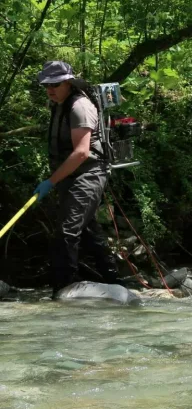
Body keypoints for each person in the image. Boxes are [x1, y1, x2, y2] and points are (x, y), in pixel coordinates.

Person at [34, 61, 123, 298]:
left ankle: (62, 293)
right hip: (70, 176)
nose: (50, 89)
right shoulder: (58, 104)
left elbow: (82, 152)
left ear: (68, 83)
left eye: (55, 84)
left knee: (66, 232)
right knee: (88, 232)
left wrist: (50, 182)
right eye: (46, 85)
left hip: (89, 174)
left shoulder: (79, 107)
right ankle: (116, 282)